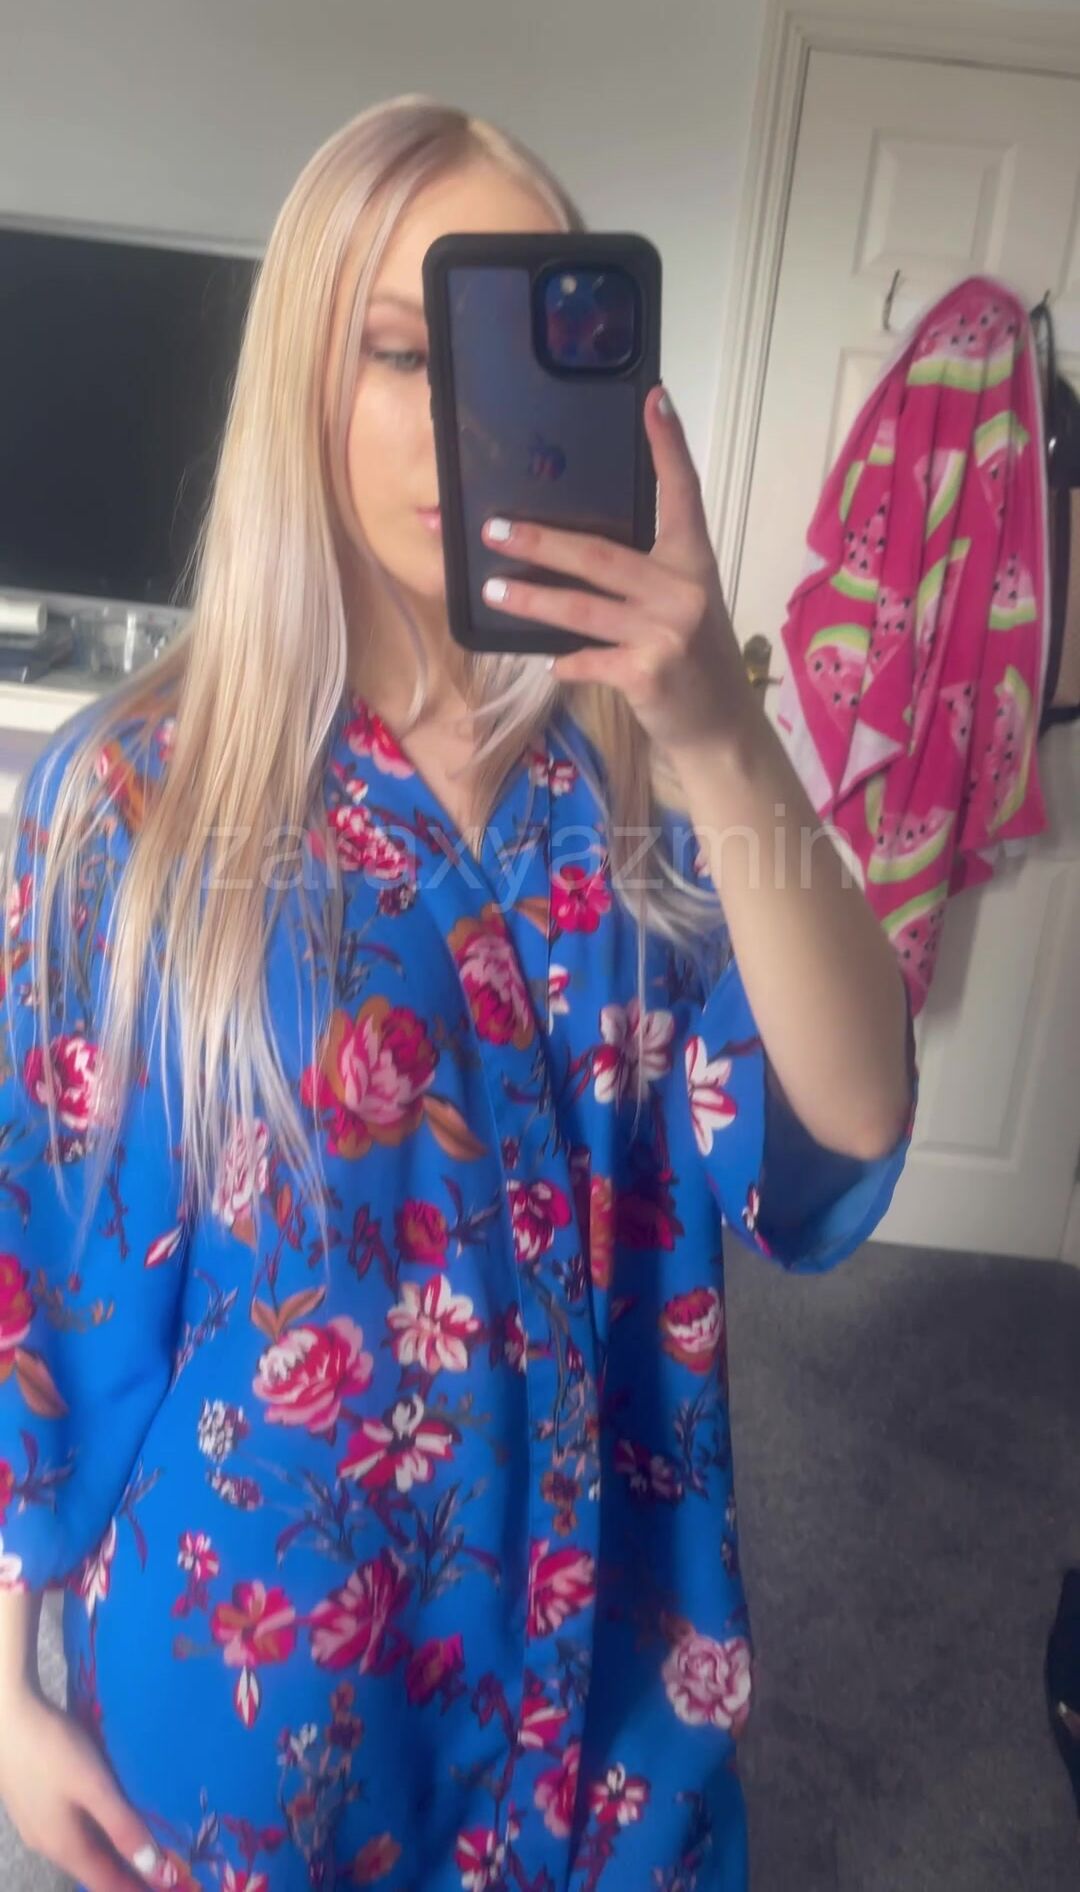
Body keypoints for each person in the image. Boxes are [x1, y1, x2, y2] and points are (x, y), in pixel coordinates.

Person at [0, 94, 918, 1892]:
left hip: (612, 1700)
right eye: (398, 352)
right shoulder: (133, 800)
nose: (453, 417)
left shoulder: (653, 782)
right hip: (264, 1696)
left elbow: (845, 1133)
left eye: (504, 348)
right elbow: (34, 1245)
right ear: (304, 381)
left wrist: (722, 728)